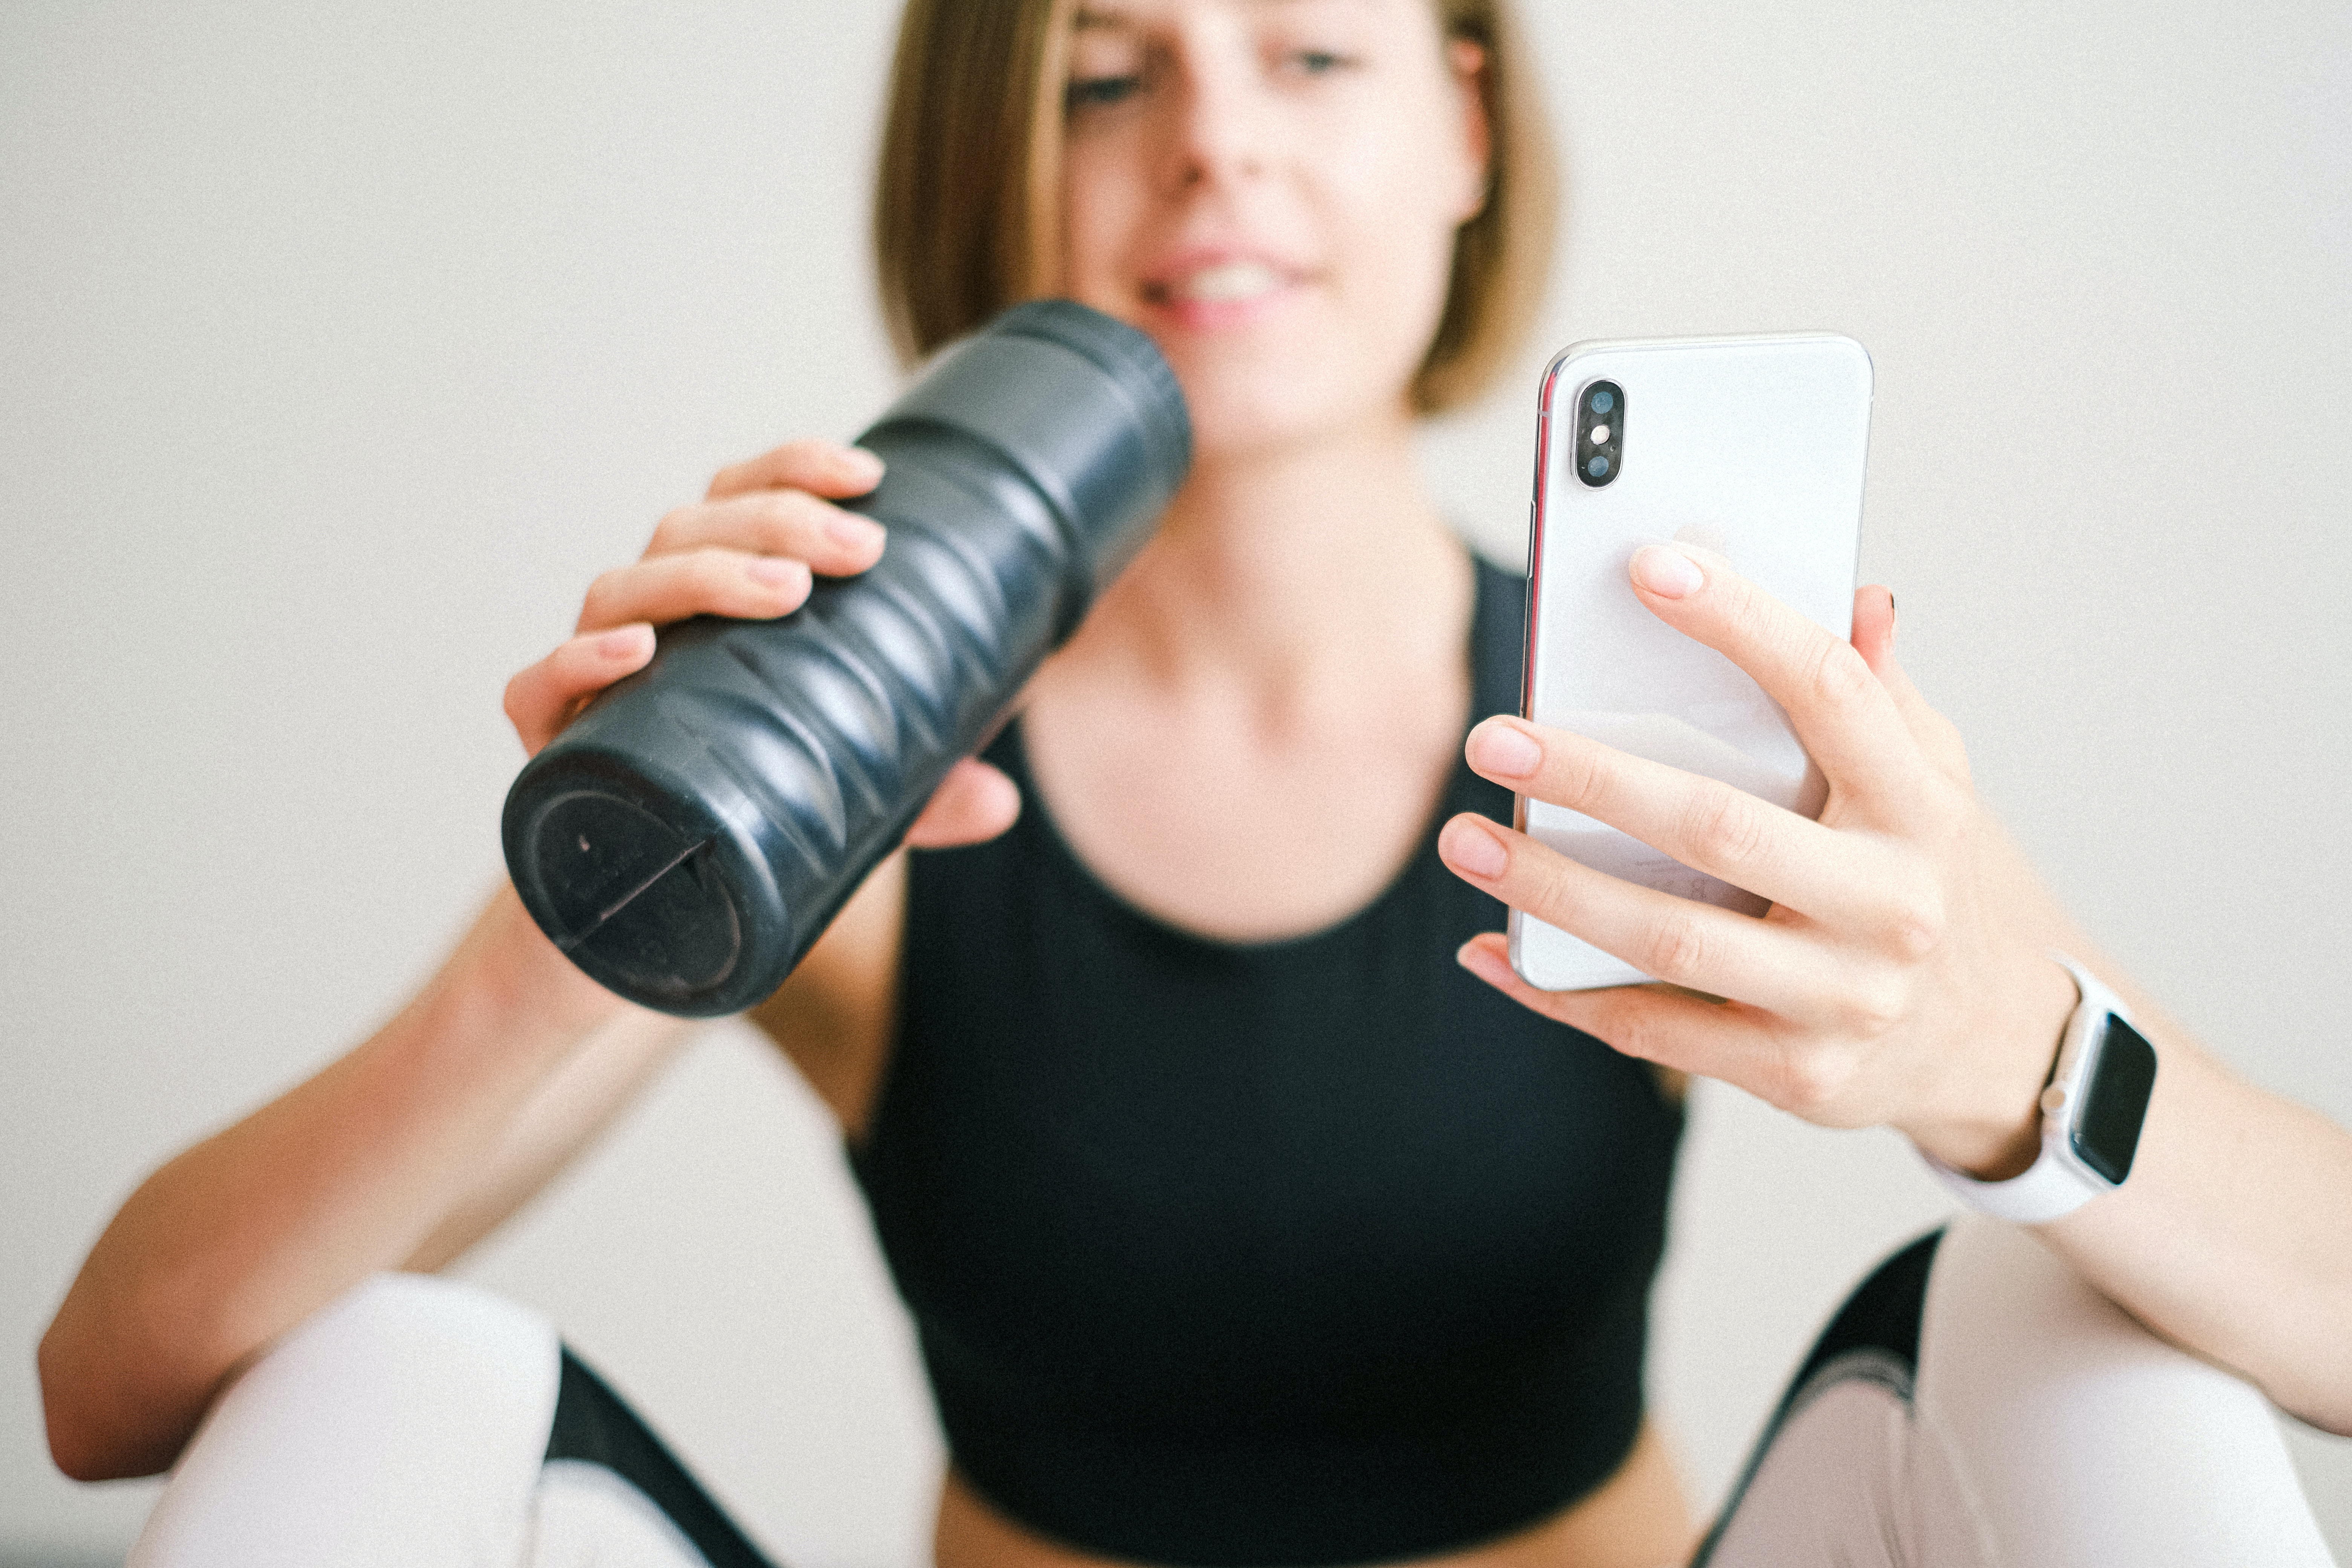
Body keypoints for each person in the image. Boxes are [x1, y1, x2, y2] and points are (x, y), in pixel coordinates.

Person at [38, 2, 2352, 1565]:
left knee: (2067, 1302)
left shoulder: (1683, 735)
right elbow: (109, 1387)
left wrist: (2018, 1060)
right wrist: (614, 881)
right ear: (1000, 168)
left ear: (1460, 123)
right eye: (1105, 74)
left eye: (1316, 50)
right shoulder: (860, 782)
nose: (1218, 135)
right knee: (397, 1377)